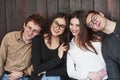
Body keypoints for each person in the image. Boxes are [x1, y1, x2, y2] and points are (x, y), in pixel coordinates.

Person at [0, 13, 46, 80]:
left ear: (39, 33)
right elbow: (1, 58)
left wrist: (23, 73)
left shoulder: (39, 44)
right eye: (29, 27)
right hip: (6, 76)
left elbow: (40, 64)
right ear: (24, 25)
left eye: (35, 31)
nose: (30, 33)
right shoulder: (9, 37)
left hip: (24, 77)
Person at [67, 10, 108, 80]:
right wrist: (89, 74)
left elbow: (108, 61)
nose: (73, 28)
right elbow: (70, 72)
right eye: (71, 24)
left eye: (77, 25)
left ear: (83, 26)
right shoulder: (70, 46)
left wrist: (102, 73)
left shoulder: (96, 40)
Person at [30, 12, 70, 80]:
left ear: (65, 29)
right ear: (51, 22)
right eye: (56, 23)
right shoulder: (38, 40)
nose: (57, 28)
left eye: (62, 26)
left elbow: (67, 70)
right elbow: (37, 68)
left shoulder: (66, 43)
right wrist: (58, 58)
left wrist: (47, 71)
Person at [84, 10, 120, 80]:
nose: (94, 22)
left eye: (94, 17)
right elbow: (114, 76)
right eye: (91, 24)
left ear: (101, 14)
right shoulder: (105, 47)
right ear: (94, 29)